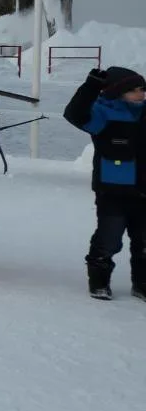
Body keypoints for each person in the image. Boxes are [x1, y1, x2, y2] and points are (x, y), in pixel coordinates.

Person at [63, 66, 146, 301]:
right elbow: (74, 114)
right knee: (109, 238)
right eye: (134, 90)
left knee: (143, 241)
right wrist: (91, 86)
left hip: (143, 191)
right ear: (118, 92)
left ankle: (142, 283)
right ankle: (99, 281)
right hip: (113, 191)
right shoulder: (103, 113)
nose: (141, 94)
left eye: (142, 89)